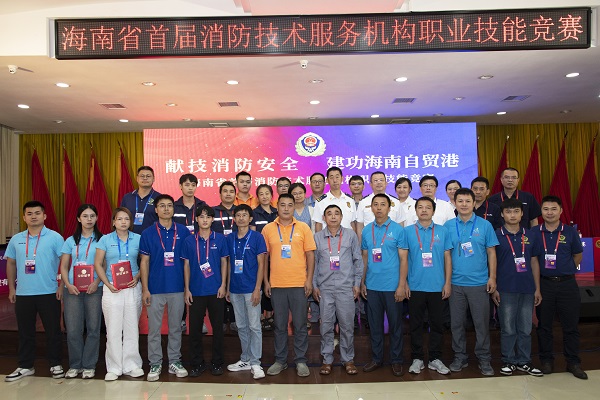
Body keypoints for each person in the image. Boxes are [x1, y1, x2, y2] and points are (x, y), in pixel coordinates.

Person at [5, 201, 65, 382]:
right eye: (29, 213)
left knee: (53, 331)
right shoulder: (16, 239)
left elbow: (65, 262)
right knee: (25, 332)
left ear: (44, 216)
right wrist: (12, 288)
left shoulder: (55, 237)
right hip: (23, 294)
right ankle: (25, 366)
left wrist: (61, 286)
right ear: (24, 217)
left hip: (49, 292)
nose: (33, 216)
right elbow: (11, 263)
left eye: (37, 213)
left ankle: (55, 364)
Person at [444, 188, 499, 376]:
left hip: (479, 283)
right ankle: (460, 356)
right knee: (457, 324)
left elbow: (491, 253)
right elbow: (446, 255)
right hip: (455, 283)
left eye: (468, 201)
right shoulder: (448, 226)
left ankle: (484, 358)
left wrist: (492, 277)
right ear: (455, 203)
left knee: (481, 324)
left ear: (474, 203)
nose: (464, 204)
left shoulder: (485, 225)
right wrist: (447, 281)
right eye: (460, 201)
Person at [262, 193, 316, 377]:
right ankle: (280, 360)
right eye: (282, 205)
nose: (286, 208)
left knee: (300, 325)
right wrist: (266, 281)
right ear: (277, 207)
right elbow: (264, 258)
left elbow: (310, 255)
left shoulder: (303, 228)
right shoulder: (268, 229)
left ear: (294, 207)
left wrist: (309, 280)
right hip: (277, 284)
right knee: (279, 325)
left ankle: (301, 360)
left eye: (289, 205)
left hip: (299, 284)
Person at [533, 196, 587, 379]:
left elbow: (577, 255)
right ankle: (546, 361)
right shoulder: (534, 232)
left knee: (571, 326)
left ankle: (573, 362)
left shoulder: (570, 232)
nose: (550, 212)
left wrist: (566, 269)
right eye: (546, 209)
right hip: (544, 284)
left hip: (567, 284)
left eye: (553, 209)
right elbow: (532, 259)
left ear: (561, 211)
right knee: (544, 326)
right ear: (541, 211)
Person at [140, 194, 191, 382]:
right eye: (162, 206)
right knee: (154, 329)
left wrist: (187, 288)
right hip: (155, 288)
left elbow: (187, 263)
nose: (166, 209)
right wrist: (145, 289)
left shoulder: (183, 231)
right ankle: (155, 363)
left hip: (177, 287)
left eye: (170, 205)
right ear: (156, 209)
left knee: (176, 328)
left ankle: (174, 361)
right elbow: (144, 262)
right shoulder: (148, 233)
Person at [399, 197, 453, 375]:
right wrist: (405, 283)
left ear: (433, 211)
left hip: (438, 286)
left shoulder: (443, 231)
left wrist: (447, 283)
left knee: (437, 324)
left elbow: (447, 258)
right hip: (415, 286)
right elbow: (403, 259)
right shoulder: (407, 231)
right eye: (420, 207)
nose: (424, 210)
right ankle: (417, 359)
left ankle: (435, 358)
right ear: (415, 210)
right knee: (415, 325)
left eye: (428, 207)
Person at [492, 198, 543, 377]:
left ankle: (524, 361)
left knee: (525, 328)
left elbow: (534, 262)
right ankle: (509, 360)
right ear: (502, 214)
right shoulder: (496, 235)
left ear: (522, 214)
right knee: (508, 328)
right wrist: (494, 287)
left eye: (516, 211)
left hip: (527, 288)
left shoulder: (531, 235)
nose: (512, 215)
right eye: (508, 212)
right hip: (505, 288)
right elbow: (491, 262)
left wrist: (537, 288)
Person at [94, 207, 144, 381]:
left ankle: (132, 364)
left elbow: (145, 262)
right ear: (113, 221)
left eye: (127, 219)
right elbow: (98, 263)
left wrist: (137, 277)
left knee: (132, 327)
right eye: (120, 219)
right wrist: (107, 283)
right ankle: (114, 367)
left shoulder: (138, 238)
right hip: (112, 289)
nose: (123, 222)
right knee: (113, 329)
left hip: (132, 287)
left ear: (131, 222)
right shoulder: (105, 239)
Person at [313, 205, 363, 376]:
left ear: (342, 217)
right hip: (325, 289)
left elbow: (357, 260)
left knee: (347, 326)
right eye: (329, 214)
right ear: (324, 218)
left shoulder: (350, 235)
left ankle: (348, 359)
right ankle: (327, 360)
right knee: (326, 326)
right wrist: (314, 285)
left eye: (336, 214)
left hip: (345, 288)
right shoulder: (317, 237)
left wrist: (357, 283)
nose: (333, 217)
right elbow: (314, 264)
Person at [360, 194, 406, 377]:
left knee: (395, 326)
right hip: (372, 286)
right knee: (375, 325)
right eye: (375, 205)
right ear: (371, 208)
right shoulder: (366, 230)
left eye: (383, 205)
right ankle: (376, 358)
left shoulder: (398, 230)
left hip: (392, 286)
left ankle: (396, 360)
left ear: (389, 207)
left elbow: (404, 259)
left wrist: (402, 285)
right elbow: (365, 257)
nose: (379, 208)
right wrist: (362, 281)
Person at [181, 205, 229, 377]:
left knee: (218, 329)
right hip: (196, 291)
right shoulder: (189, 240)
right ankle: (196, 364)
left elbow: (224, 262)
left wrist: (223, 285)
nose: (205, 220)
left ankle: (217, 363)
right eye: (201, 217)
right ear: (196, 219)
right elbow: (186, 265)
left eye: (208, 217)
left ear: (212, 219)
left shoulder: (220, 239)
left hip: (216, 291)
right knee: (194, 330)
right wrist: (187, 289)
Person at [59, 204, 104, 379]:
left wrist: (97, 282)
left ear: (97, 218)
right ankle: (75, 365)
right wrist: (67, 284)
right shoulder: (70, 241)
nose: (89, 219)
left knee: (93, 328)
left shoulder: (102, 240)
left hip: (95, 289)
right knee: (73, 330)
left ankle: (89, 365)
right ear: (79, 219)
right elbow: (64, 266)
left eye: (92, 216)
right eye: (85, 216)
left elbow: (104, 264)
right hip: (73, 290)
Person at [226, 205, 267, 380]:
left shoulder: (257, 237)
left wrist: (258, 288)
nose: (241, 218)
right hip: (235, 289)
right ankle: (245, 359)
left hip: (251, 289)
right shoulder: (230, 238)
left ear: (250, 219)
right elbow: (229, 264)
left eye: (245, 215)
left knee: (254, 326)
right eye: (238, 215)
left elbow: (261, 264)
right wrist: (228, 287)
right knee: (241, 326)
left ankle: (256, 362)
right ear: (234, 219)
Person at [173, 173, 207, 333]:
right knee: (181, 285)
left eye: (193, 185)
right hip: (178, 250)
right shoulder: (174, 206)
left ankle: (200, 320)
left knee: (198, 284)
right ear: (180, 186)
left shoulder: (202, 205)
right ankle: (181, 319)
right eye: (187, 185)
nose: (190, 188)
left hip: (198, 251)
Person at [250, 184, 277, 331]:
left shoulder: (277, 212)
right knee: (260, 284)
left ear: (271, 195)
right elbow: (253, 235)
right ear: (258, 197)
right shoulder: (254, 213)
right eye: (261, 194)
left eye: (267, 193)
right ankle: (260, 316)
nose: (265, 196)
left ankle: (270, 315)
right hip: (260, 255)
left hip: (275, 256)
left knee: (272, 284)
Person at [212, 181, 237, 331]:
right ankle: (220, 319)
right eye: (225, 191)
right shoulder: (213, 211)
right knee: (219, 284)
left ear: (235, 194)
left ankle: (234, 319)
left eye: (231, 191)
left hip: (236, 253)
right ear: (220, 194)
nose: (228, 194)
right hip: (217, 254)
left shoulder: (239, 211)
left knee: (234, 283)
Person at [356, 171, 406, 243]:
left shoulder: (396, 202)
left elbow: (400, 224)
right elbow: (360, 225)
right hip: (370, 242)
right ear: (371, 184)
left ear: (386, 183)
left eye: (381, 180)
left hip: (391, 242)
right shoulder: (363, 202)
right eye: (375, 180)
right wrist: (360, 244)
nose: (379, 183)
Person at [313, 167, 356, 232]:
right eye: (331, 177)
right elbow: (318, 224)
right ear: (327, 180)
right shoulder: (321, 201)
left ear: (342, 179)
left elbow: (352, 223)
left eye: (337, 177)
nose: (335, 180)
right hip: (328, 237)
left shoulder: (350, 200)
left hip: (347, 237)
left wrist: (354, 237)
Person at [120, 166, 161, 234]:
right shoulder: (127, 197)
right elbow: (121, 217)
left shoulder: (160, 198)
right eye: (142, 176)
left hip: (152, 236)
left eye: (148, 176)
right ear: (137, 178)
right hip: (129, 237)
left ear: (153, 179)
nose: (145, 178)